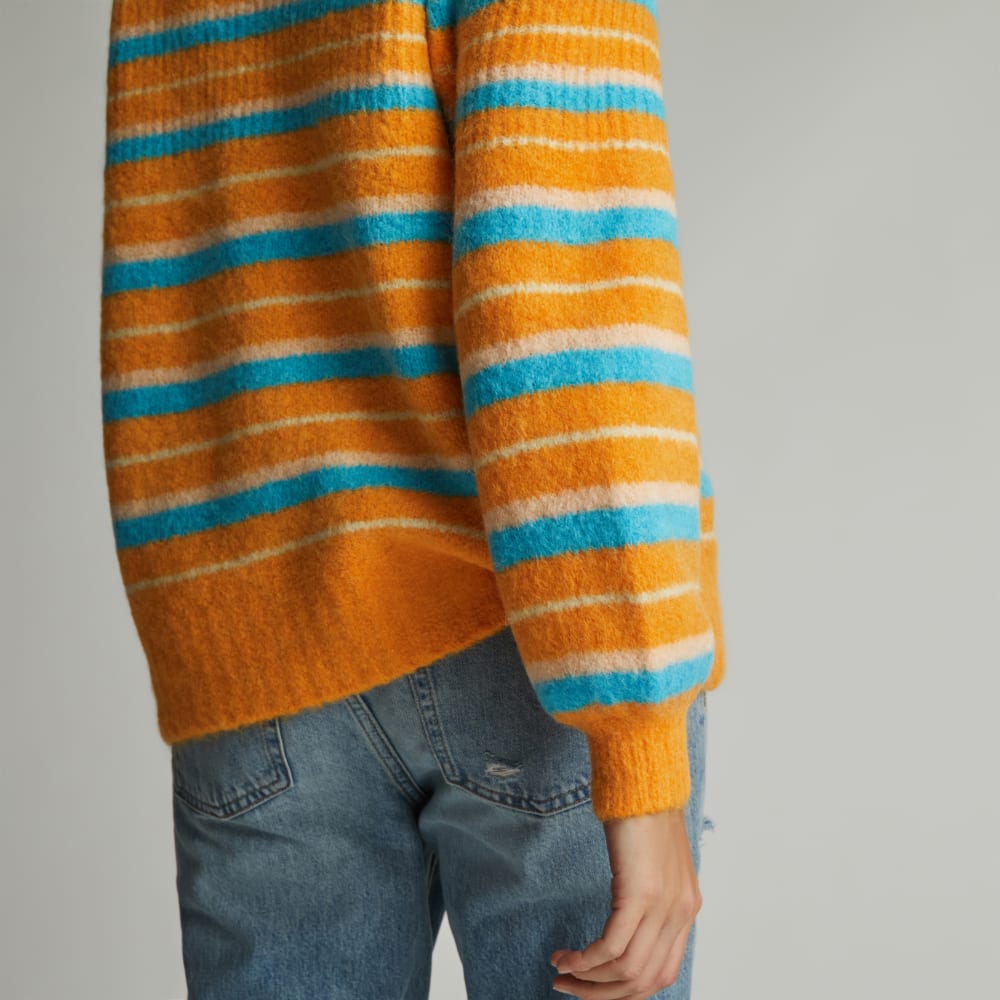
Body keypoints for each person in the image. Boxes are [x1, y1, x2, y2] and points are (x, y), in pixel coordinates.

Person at [99, 1, 727, 998]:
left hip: (251, 642)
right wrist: (637, 741)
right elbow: (562, 288)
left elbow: (174, 258)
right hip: (528, 633)